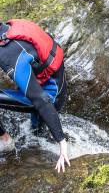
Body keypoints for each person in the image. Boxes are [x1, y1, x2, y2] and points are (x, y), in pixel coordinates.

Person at [0, 19, 70, 173]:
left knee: (38, 129)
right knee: (36, 135)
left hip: (50, 96)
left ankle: (5, 141)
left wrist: (62, 143)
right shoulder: (11, 27)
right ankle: (37, 148)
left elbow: (41, 100)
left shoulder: (8, 54)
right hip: (57, 82)